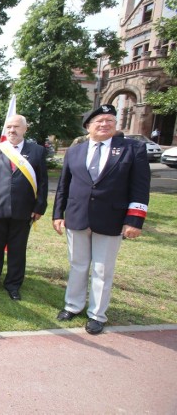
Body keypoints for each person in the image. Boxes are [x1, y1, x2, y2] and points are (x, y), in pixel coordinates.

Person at [53, 105, 150, 335]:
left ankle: (97, 314)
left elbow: (140, 187)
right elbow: (63, 186)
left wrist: (134, 220)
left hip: (111, 218)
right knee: (77, 265)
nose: (104, 124)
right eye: (99, 121)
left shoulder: (132, 149)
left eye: (109, 120)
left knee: (102, 269)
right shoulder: (75, 151)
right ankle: (73, 305)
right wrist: (58, 214)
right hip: (77, 217)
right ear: (88, 127)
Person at [0, 115, 48, 300]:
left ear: (25, 129)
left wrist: (39, 207)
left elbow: (42, 182)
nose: (12, 130)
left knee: (18, 249)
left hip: (24, 209)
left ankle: (13, 284)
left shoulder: (37, 151)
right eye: (9, 126)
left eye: (16, 127)